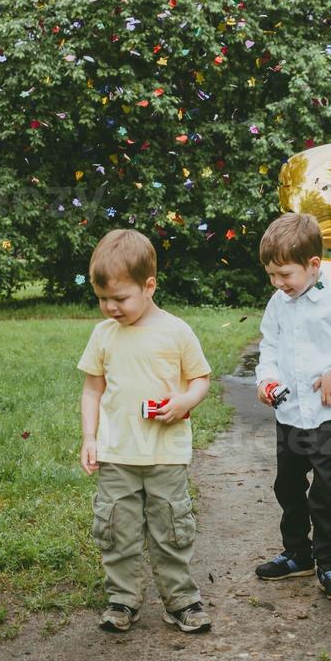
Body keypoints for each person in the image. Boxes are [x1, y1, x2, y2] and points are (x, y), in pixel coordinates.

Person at [78, 228, 212, 634]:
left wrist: (184, 402)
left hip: (165, 453)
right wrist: (90, 437)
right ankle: (122, 599)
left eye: (120, 299)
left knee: (171, 528)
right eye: (103, 299)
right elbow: (92, 388)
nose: (110, 308)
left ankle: (182, 601)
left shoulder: (176, 331)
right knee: (117, 529)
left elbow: (201, 379)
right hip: (117, 452)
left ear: (149, 286)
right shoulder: (103, 335)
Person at [254, 212, 331, 601]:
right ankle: (298, 554)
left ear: (313, 265)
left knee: (326, 494)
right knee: (288, 487)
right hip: (290, 416)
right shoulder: (278, 303)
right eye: (272, 276)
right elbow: (270, 347)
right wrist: (266, 379)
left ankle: (329, 564)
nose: (278, 283)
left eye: (285, 275)